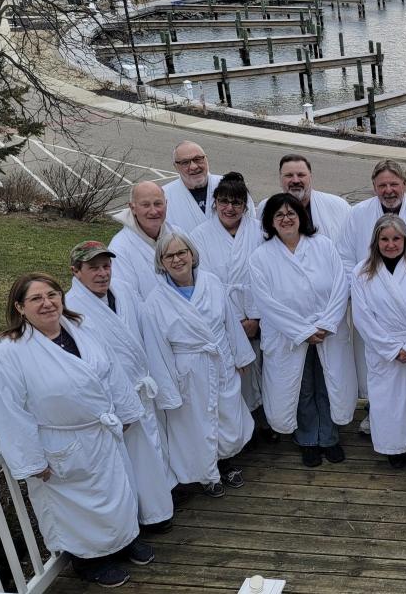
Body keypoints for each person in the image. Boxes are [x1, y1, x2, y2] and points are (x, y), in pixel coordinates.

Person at [0, 273, 153, 588]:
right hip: (61, 440)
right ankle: (88, 561)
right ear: (19, 307)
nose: (47, 303)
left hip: (101, 431)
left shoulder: (80, 327)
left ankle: (122, 540)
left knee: (116, 492)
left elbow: (111, 370)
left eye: (52, 294)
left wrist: (126, 409)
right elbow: (9, 409)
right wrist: (31, 461)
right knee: (79, 506)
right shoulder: (8, 350)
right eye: (36, 299)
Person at [66, 241, 176, 534]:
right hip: (115, 395)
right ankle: (146, 514)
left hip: (141, 385)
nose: (102, 273)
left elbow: (145, 329)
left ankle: (160, 499)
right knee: (130, 458)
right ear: (76, 271)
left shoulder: (124, 290)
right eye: (93, 268)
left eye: (106, 266)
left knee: (152, 445)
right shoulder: (71, 309)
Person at [142, 233, 255, 497]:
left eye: (181, 252)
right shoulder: (154, 302)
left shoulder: (212, 283)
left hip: (219, 360)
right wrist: (168, 389)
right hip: (188, 370)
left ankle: (227, 462)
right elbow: (157, 350)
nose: (177, 259)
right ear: (161, 262)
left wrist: (240, 356)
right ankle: (207, 474)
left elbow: (229, 321)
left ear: (192, 254)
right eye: (169, 255)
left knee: (226, 414)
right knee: (197, 424)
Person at [249, 193, 357, 467]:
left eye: (291, 213)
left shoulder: (323, 246)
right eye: (279, 215)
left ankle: (329, 437)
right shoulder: (261, 257)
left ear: (301, 217)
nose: (286, 219)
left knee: (328, 385)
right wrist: (302, 330)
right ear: (271, 222)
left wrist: (325, 324)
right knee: (301, 388)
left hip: (327, 333)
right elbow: (266, 302)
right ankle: (308, 438)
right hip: (289, 337)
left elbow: (339, 286)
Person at [337, 159, 406, 434]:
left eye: (394, 184)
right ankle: (378, 420)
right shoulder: (356, 215)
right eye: (382, 185)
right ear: (374, 187)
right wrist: (364, 291)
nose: (389, 190)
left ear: (405, 184)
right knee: (380, 385)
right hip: (375, 313)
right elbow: (345, 256)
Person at [351, 215, 406, 468]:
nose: (390, 244)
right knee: (390, 402)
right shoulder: (362, 272)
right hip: (383, 350)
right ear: (375, 241)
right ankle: (395, 448)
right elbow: (362, 318)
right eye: (384, 239)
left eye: (396, 238)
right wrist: (392, 349)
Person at [189, 173, 266, 427]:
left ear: (245, 206)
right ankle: (238, 428)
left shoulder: (259, 231)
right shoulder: (200, 235)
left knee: (262, 370)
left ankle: (263, 421)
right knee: (233, 374)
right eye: (223, 201)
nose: (229, 208)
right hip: (223, 317)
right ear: (215, 203)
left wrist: (254, 318)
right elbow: (204, 282)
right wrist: (234, 321)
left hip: (259, 316)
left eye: (236, 203)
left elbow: (265, 276)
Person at [163, 141, 255, 234]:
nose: (194, 166)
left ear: (206, 159)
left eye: (198, 159)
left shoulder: (231, 186)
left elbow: (250, 224)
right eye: (185, 162)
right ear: (176, 166)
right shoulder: (165, 196)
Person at [256, 154, 351, 243]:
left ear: (310, 177)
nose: (295, 180)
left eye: (301, 175)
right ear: (280, 179)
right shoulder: (266, 207)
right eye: (289, 175)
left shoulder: (338, 206)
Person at [109, 181, 174, 299]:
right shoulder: (119, 248)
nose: (154, 211)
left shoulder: (178, 234)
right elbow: (126, 297)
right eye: (146, 205)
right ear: (132, 208)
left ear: (166, 204)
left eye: (158, 204)